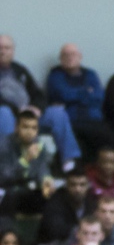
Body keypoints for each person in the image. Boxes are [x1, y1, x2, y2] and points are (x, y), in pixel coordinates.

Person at [0, 34, 82, 170]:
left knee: (57, 113)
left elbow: (38, 94)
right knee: (3, 113)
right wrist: (18, 110)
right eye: (0, 48)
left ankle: (69, 161)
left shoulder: (20, 70)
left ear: (13, 51)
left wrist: (36, 107)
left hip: (28, 114)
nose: (3, 51)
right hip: (9, 116)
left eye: (7, 48)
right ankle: (9, 162)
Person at [46, 44, 114, 162]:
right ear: (60, 59)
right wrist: (86, 92)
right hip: (71, 121)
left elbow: (99, 96)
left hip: (94, 120)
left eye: (73, 54)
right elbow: (63, 95)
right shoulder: (55, 75)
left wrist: (74, 96)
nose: (69, 57)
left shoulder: (90, 74)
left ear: (80, 56)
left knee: (110, 138)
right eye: (65, 55)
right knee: (78, 146)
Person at [0, 109, 55, 216]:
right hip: (6, 191)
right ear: (16, 128)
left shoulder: (39, 145)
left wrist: (46, 180)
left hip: (26, 190)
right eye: (25, 127)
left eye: (34, 128)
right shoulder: (3, 145)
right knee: (11, 195)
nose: (30, 132)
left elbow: (42, 168)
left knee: (52, 197)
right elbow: (3, 177)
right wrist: (25, 160)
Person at [36, 164, 96, 245]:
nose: (78, 189)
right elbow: (56, 232)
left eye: (82, 185)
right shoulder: (54, 202)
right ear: (66, 185)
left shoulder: (91, 202)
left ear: (88, 186)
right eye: (73, 185)